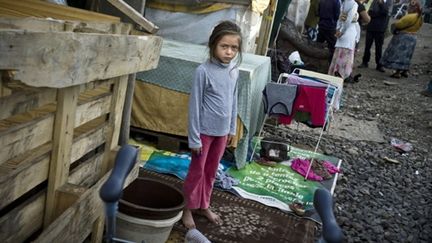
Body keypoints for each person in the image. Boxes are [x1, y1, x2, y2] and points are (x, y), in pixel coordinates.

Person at [182, 20, 242, 229]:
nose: (229, 52)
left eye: (234, 48)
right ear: (213, 45)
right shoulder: (203, 71)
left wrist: (232, 129)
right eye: (224, 46)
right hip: (204, 133)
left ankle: (203, 204)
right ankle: (187, 207)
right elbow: (194, 107)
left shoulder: (234, 71)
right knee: (197, 170)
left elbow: (234, 101)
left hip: (222, 133)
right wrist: (194, 137)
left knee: (212, 170)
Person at [380, 0, 423, 78]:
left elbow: (399, 24)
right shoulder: (420, 17)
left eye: (410, 6)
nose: (409, 8)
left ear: (412, 8)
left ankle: (397, 73)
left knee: (399, 55)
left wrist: (394, 25)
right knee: (407, 55)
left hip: (403, 37)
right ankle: (405, 71)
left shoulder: (410, 16)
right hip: (413, 37)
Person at [358, 0, 393, 72]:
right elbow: (370, 11)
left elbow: (386, 12)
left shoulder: (389, 2)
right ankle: (365, 62)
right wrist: (376, 14)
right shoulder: (374, 1)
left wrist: (381, 4)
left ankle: (379, 64)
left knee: (379, 47)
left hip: (381, 28)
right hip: (371, 26)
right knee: (367, 46)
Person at [328, 0, 360, 81]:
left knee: (338, 54)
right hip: (349, 33)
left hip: (342, 31)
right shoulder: (354, 4)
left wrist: (338, 29)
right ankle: (342, 76)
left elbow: (340, 18)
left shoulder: (343, 3)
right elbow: (349, 20)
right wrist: (342, 31)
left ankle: (334, 73)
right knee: (345, 57)